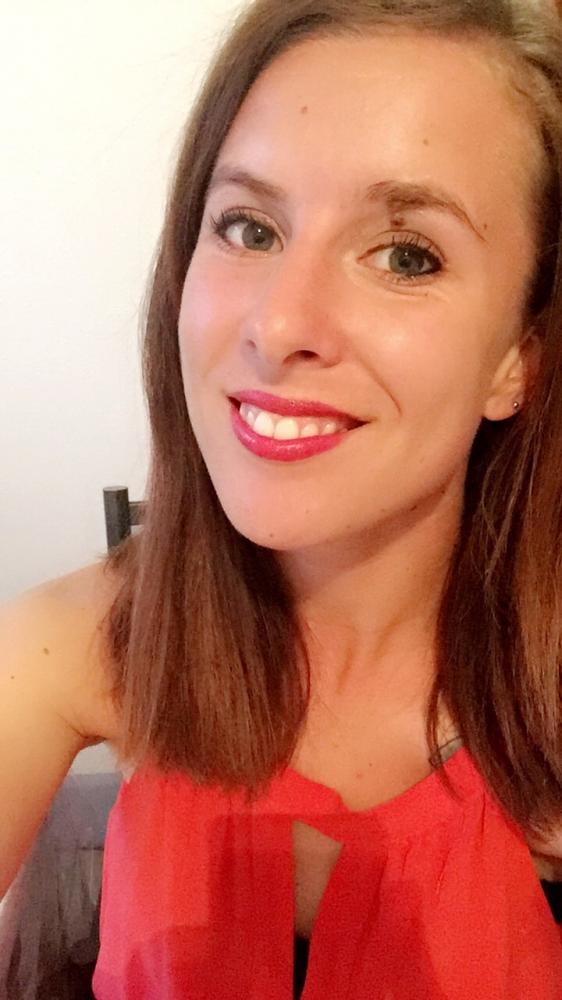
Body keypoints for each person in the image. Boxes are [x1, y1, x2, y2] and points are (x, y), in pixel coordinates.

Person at [2, 0, 562, 996]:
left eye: (406, 254)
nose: (279, 322)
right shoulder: (70, 646)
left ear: (518, 358)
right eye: (249, 227)